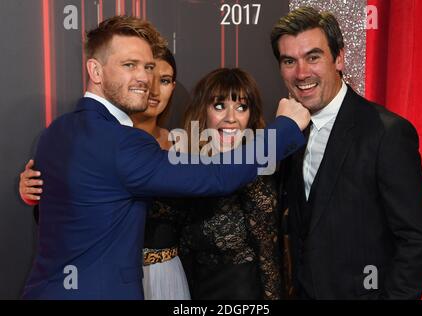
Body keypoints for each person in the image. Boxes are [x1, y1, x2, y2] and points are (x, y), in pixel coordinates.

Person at [21, 15, 309, 299]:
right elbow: (218, 176)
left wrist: (32, 195)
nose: (144, 78)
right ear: (95, 71)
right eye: (129, 65)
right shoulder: (123, 143)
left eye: (147, 66)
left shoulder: (55, 132)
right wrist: (284, 128)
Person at [271, 7, 422, 299]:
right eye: (289, 61)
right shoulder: (291, 129)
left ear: (339, 58)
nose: (301, 73)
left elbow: (417, 238)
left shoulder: (386, 132)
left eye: (313, 57)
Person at [20, 47, 191, 300]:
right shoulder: (88, 143)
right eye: (143, 75)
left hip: (168, 277)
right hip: (105, 280)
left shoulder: (187, 145)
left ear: (173, 87)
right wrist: (32, 194)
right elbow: (59, 220)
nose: (152, 89)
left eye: (164, 80)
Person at [178, 68, 281, 300]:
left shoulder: (257, 175)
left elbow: (269, 258)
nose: (231, 118)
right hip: (192, 291)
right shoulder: (187, 165)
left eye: (242, 107)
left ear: (251, 116)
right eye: (219, 106)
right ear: (202, 111)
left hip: (240, 293)